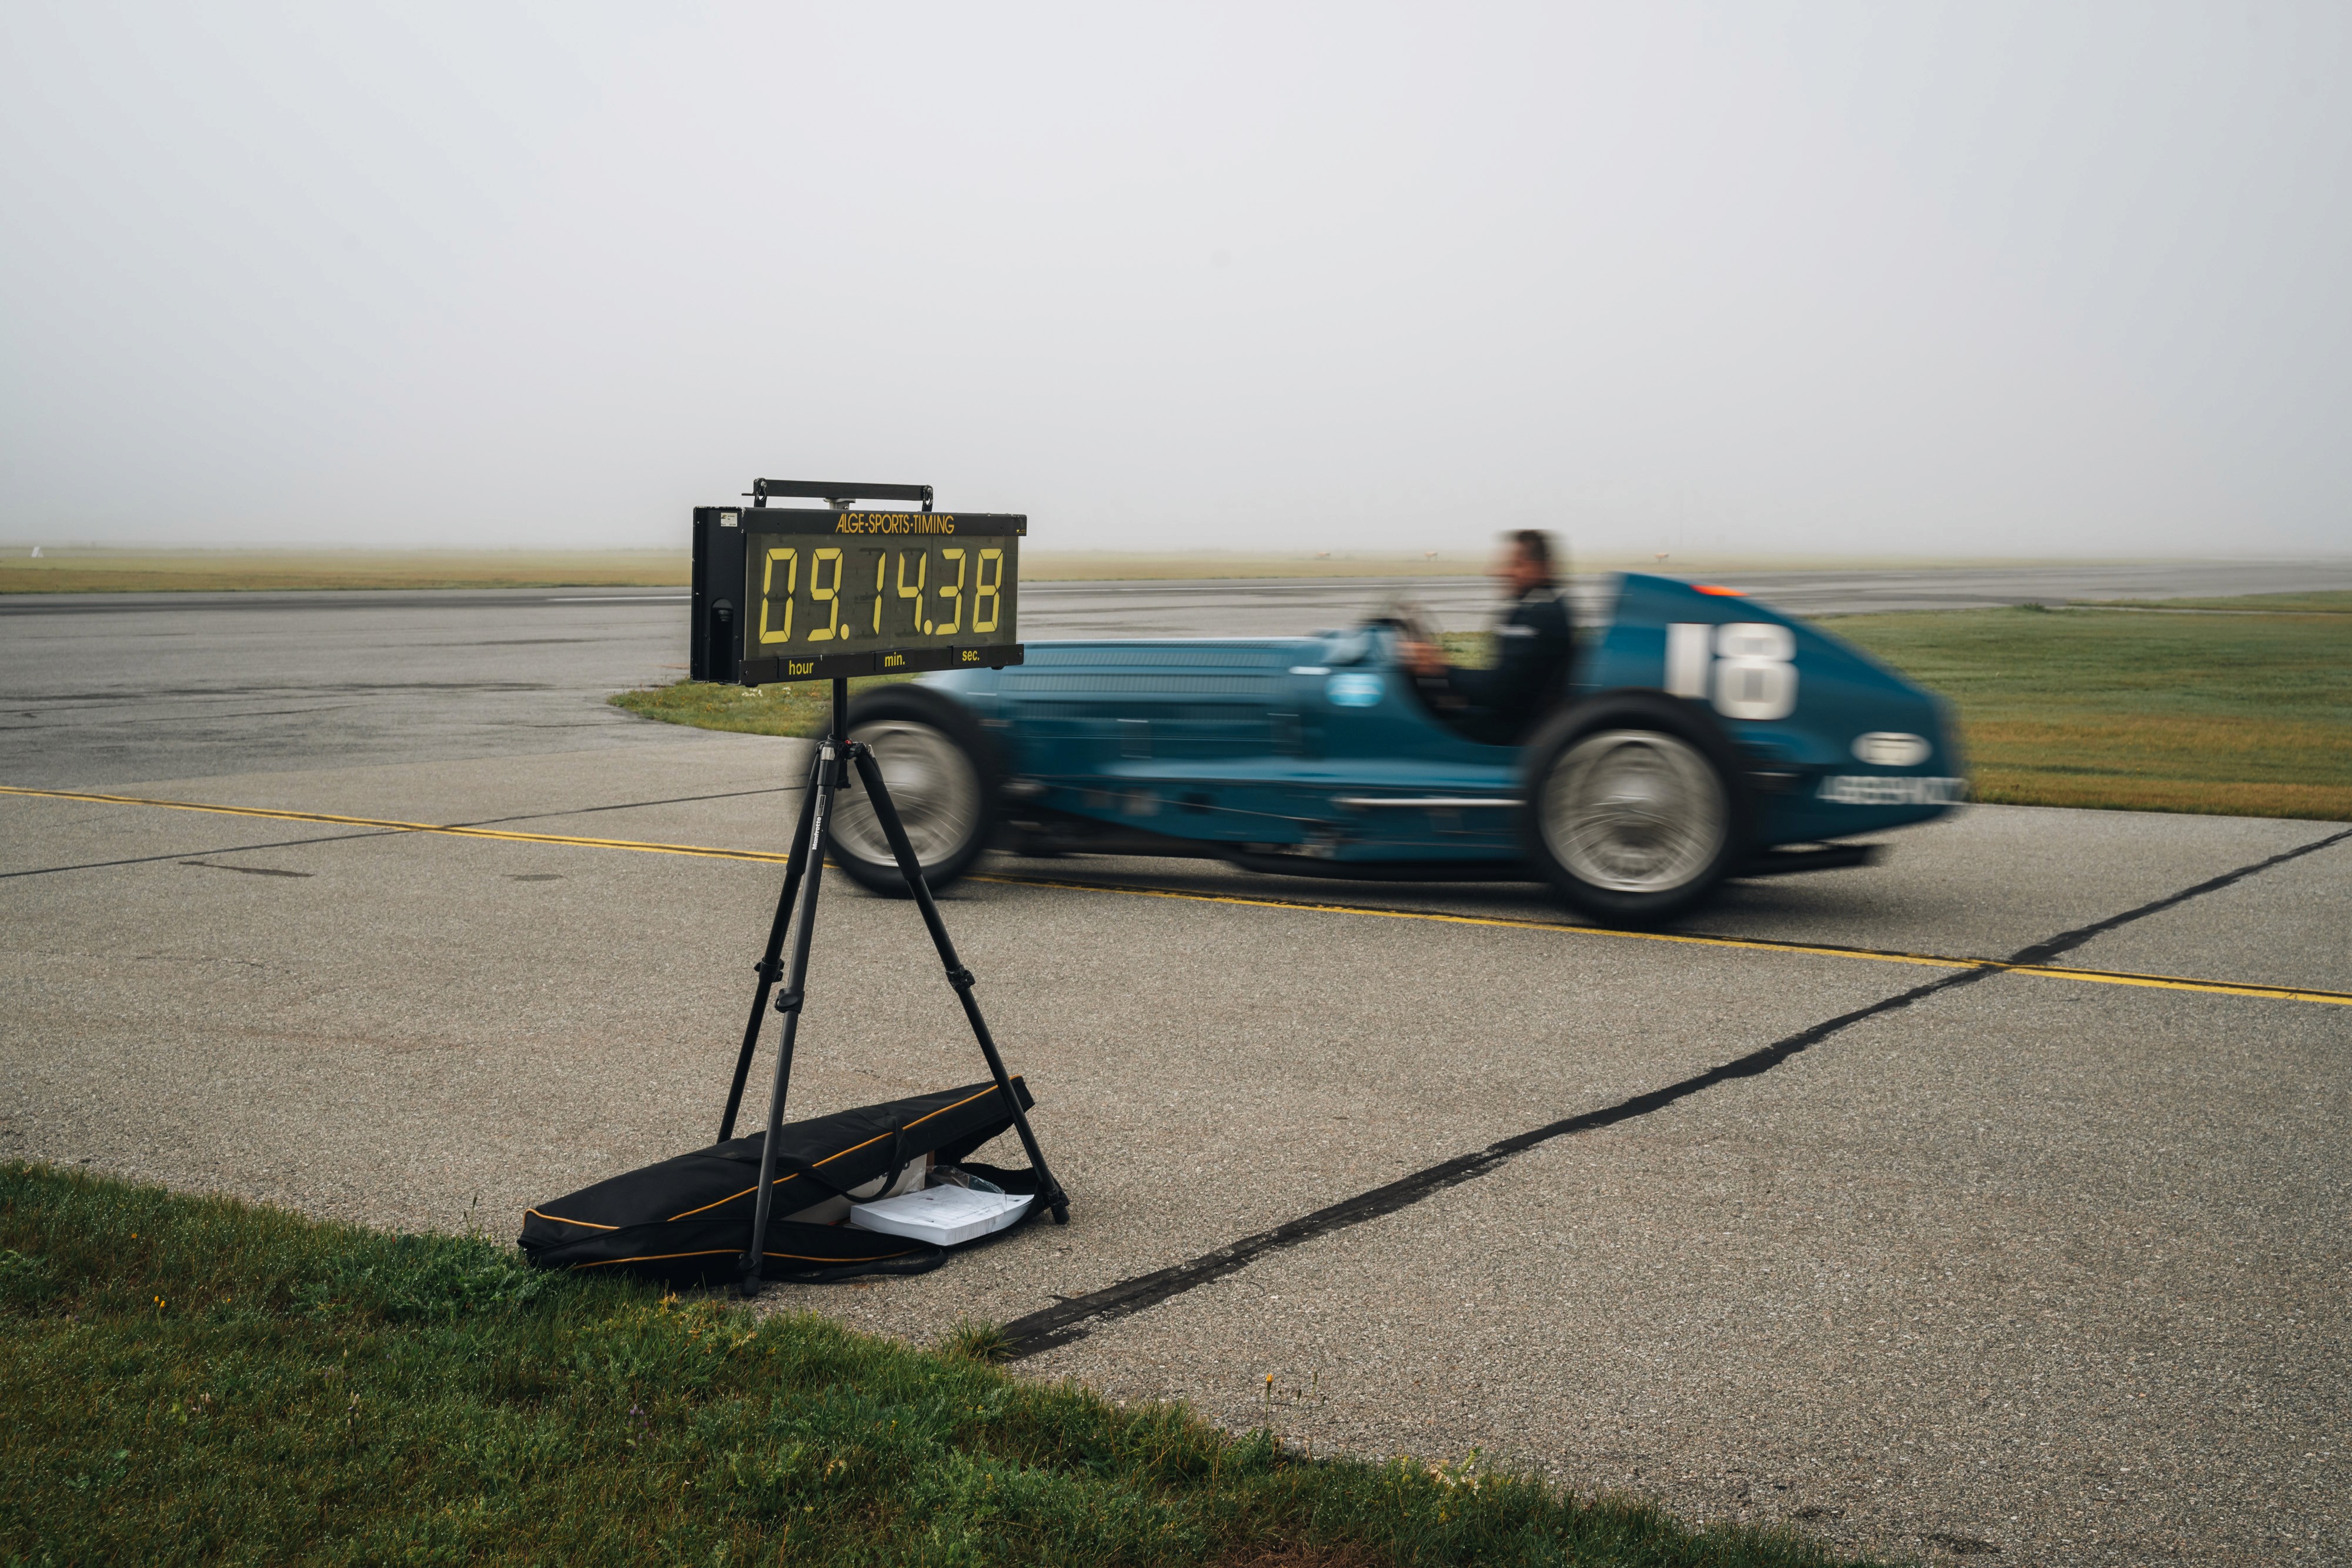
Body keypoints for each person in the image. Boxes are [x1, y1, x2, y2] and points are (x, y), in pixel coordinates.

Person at [1399, 529, 1575, 745]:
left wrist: (1440, 668)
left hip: (1513, 730)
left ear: (1541, 568)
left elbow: (1497, 690)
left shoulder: (1536, 616)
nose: (1499, 572)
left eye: (1515, 564)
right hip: (1520, 720)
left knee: (1411, 722)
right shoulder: (1547, 607)